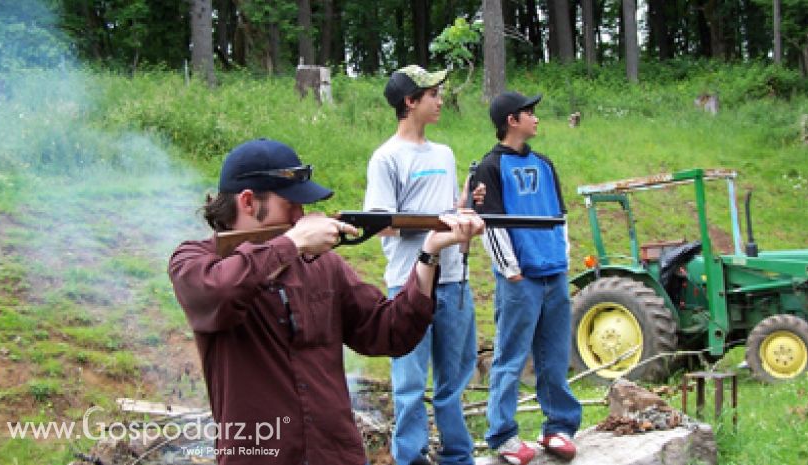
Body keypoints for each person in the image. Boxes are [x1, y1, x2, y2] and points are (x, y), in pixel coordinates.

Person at [168, 138, 484, 465]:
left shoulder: (321, 263)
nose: (301, 215)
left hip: (335, 454)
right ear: (248, 202)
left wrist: (429, 253)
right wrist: (291, 243)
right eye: (290, 204)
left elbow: (390, 331)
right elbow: (219, 291)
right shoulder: (194, 260)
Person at [363, 65, 478, 465]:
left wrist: (465, 210)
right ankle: (409, 458)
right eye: (432, 94)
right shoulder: (386, 158)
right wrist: (431, 229)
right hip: (409, 286)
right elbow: (379, 224)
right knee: (410, 384)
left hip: (455, 280)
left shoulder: (444, 153)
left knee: (455, 380)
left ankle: (458, 456)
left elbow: (450, 210)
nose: (440, 100)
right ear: (409, 102)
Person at [472, 92, 582, 464]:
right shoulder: (489, 166)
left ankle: (559, 427)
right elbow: (489, 223)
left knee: (553, 355)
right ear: (511, 120)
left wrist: (562, 260)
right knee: (511, 355)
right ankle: (502, 433)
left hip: (554, 273)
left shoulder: (545, 164)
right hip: (521, 279)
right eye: (529, 113)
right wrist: (510, 269)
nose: (536, 118)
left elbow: (560, 216)